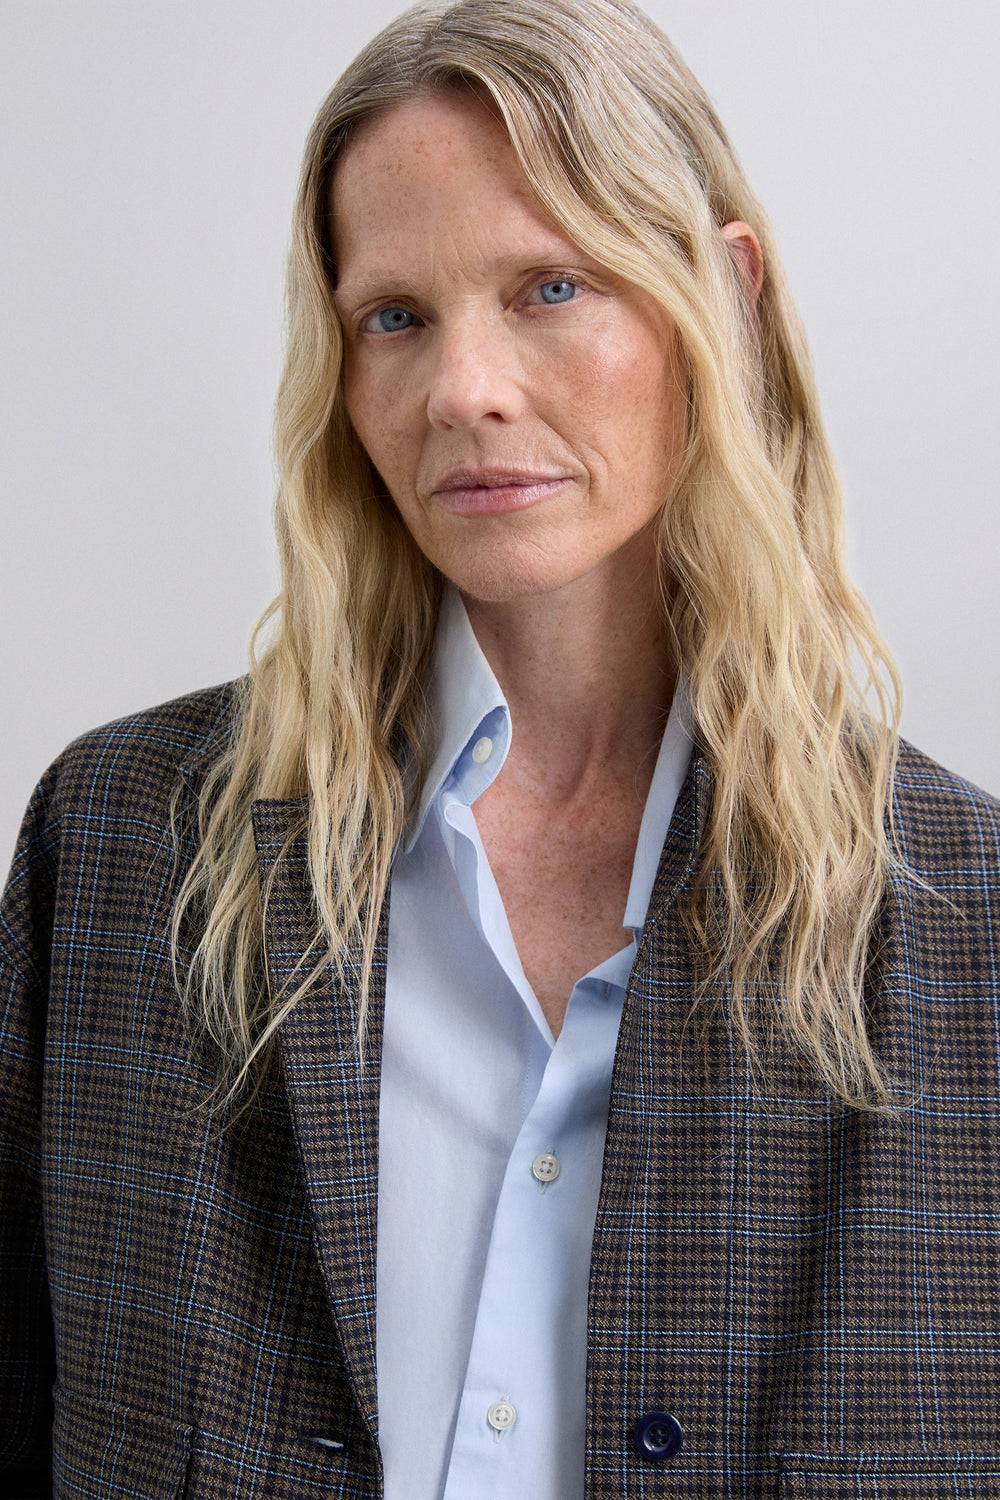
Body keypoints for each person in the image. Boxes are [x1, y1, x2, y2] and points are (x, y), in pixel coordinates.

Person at [2, 0, 999, 1495]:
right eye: (394, 317)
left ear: (723, 300)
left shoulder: (967, 921)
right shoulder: (122, 843)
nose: (462, 389)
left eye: (550, 286)